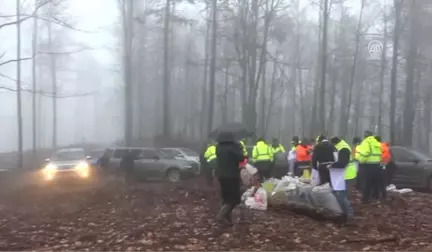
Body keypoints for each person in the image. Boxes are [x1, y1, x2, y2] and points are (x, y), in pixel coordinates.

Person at [215, 132, 245, 226]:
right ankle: (221, 216)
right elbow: (241, 158)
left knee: (226, 198)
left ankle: (227, 220)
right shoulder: (233, 147)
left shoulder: (218, 147)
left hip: (222, 176)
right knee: (234, 199)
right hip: (232, 176)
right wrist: (240, 148)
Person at [330, 137, 355, 222]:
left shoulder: (343, 149)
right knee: (342, 195)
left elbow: (342, 163)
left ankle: (349, 213)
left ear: (335, 143)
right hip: (344, 174)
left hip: (347, 174)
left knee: (341, 195)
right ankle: (345, 212)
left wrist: (331, 165)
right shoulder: (342, 147)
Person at [356, 131, 383, 204]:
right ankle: (376, 198)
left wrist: (361, 160)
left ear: (365, 136)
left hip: (368, 165)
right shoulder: (376, 142)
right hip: (376, 165)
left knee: (366, 183)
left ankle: (365, 199)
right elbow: (381, 152)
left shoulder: (366, 142)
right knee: (374, 182)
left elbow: (365, 153)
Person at [374, 136, 388, 200]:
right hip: (383, 167)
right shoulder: (385, 147)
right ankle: (384, 196)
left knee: (376, 183)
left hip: (378, 166)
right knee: (382, 183)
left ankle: (377, 196)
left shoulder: (378, 147)